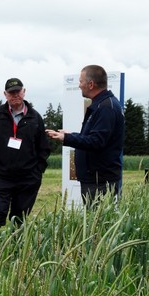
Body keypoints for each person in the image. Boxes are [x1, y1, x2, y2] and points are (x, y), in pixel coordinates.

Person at [0, 78, 50, 227]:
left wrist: (38, 171)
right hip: (2, 174)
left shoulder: (35, 117)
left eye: (18, 92)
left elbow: (44, 147)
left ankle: (16, 247)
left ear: (24, 92)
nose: (15, 95)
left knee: (20, 216)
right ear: (5, 94)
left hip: (28, 177)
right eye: (11, 93)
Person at [46, 65, 124, 204]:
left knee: (98, 223)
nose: (79, 85)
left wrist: (67, 138)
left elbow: (97, 141)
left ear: (91, 84)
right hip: (95, 178)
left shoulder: (105, 107)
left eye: (81, 81)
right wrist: (71, 134)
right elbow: (95, 136)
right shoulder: (102, 105)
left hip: (100, 181)